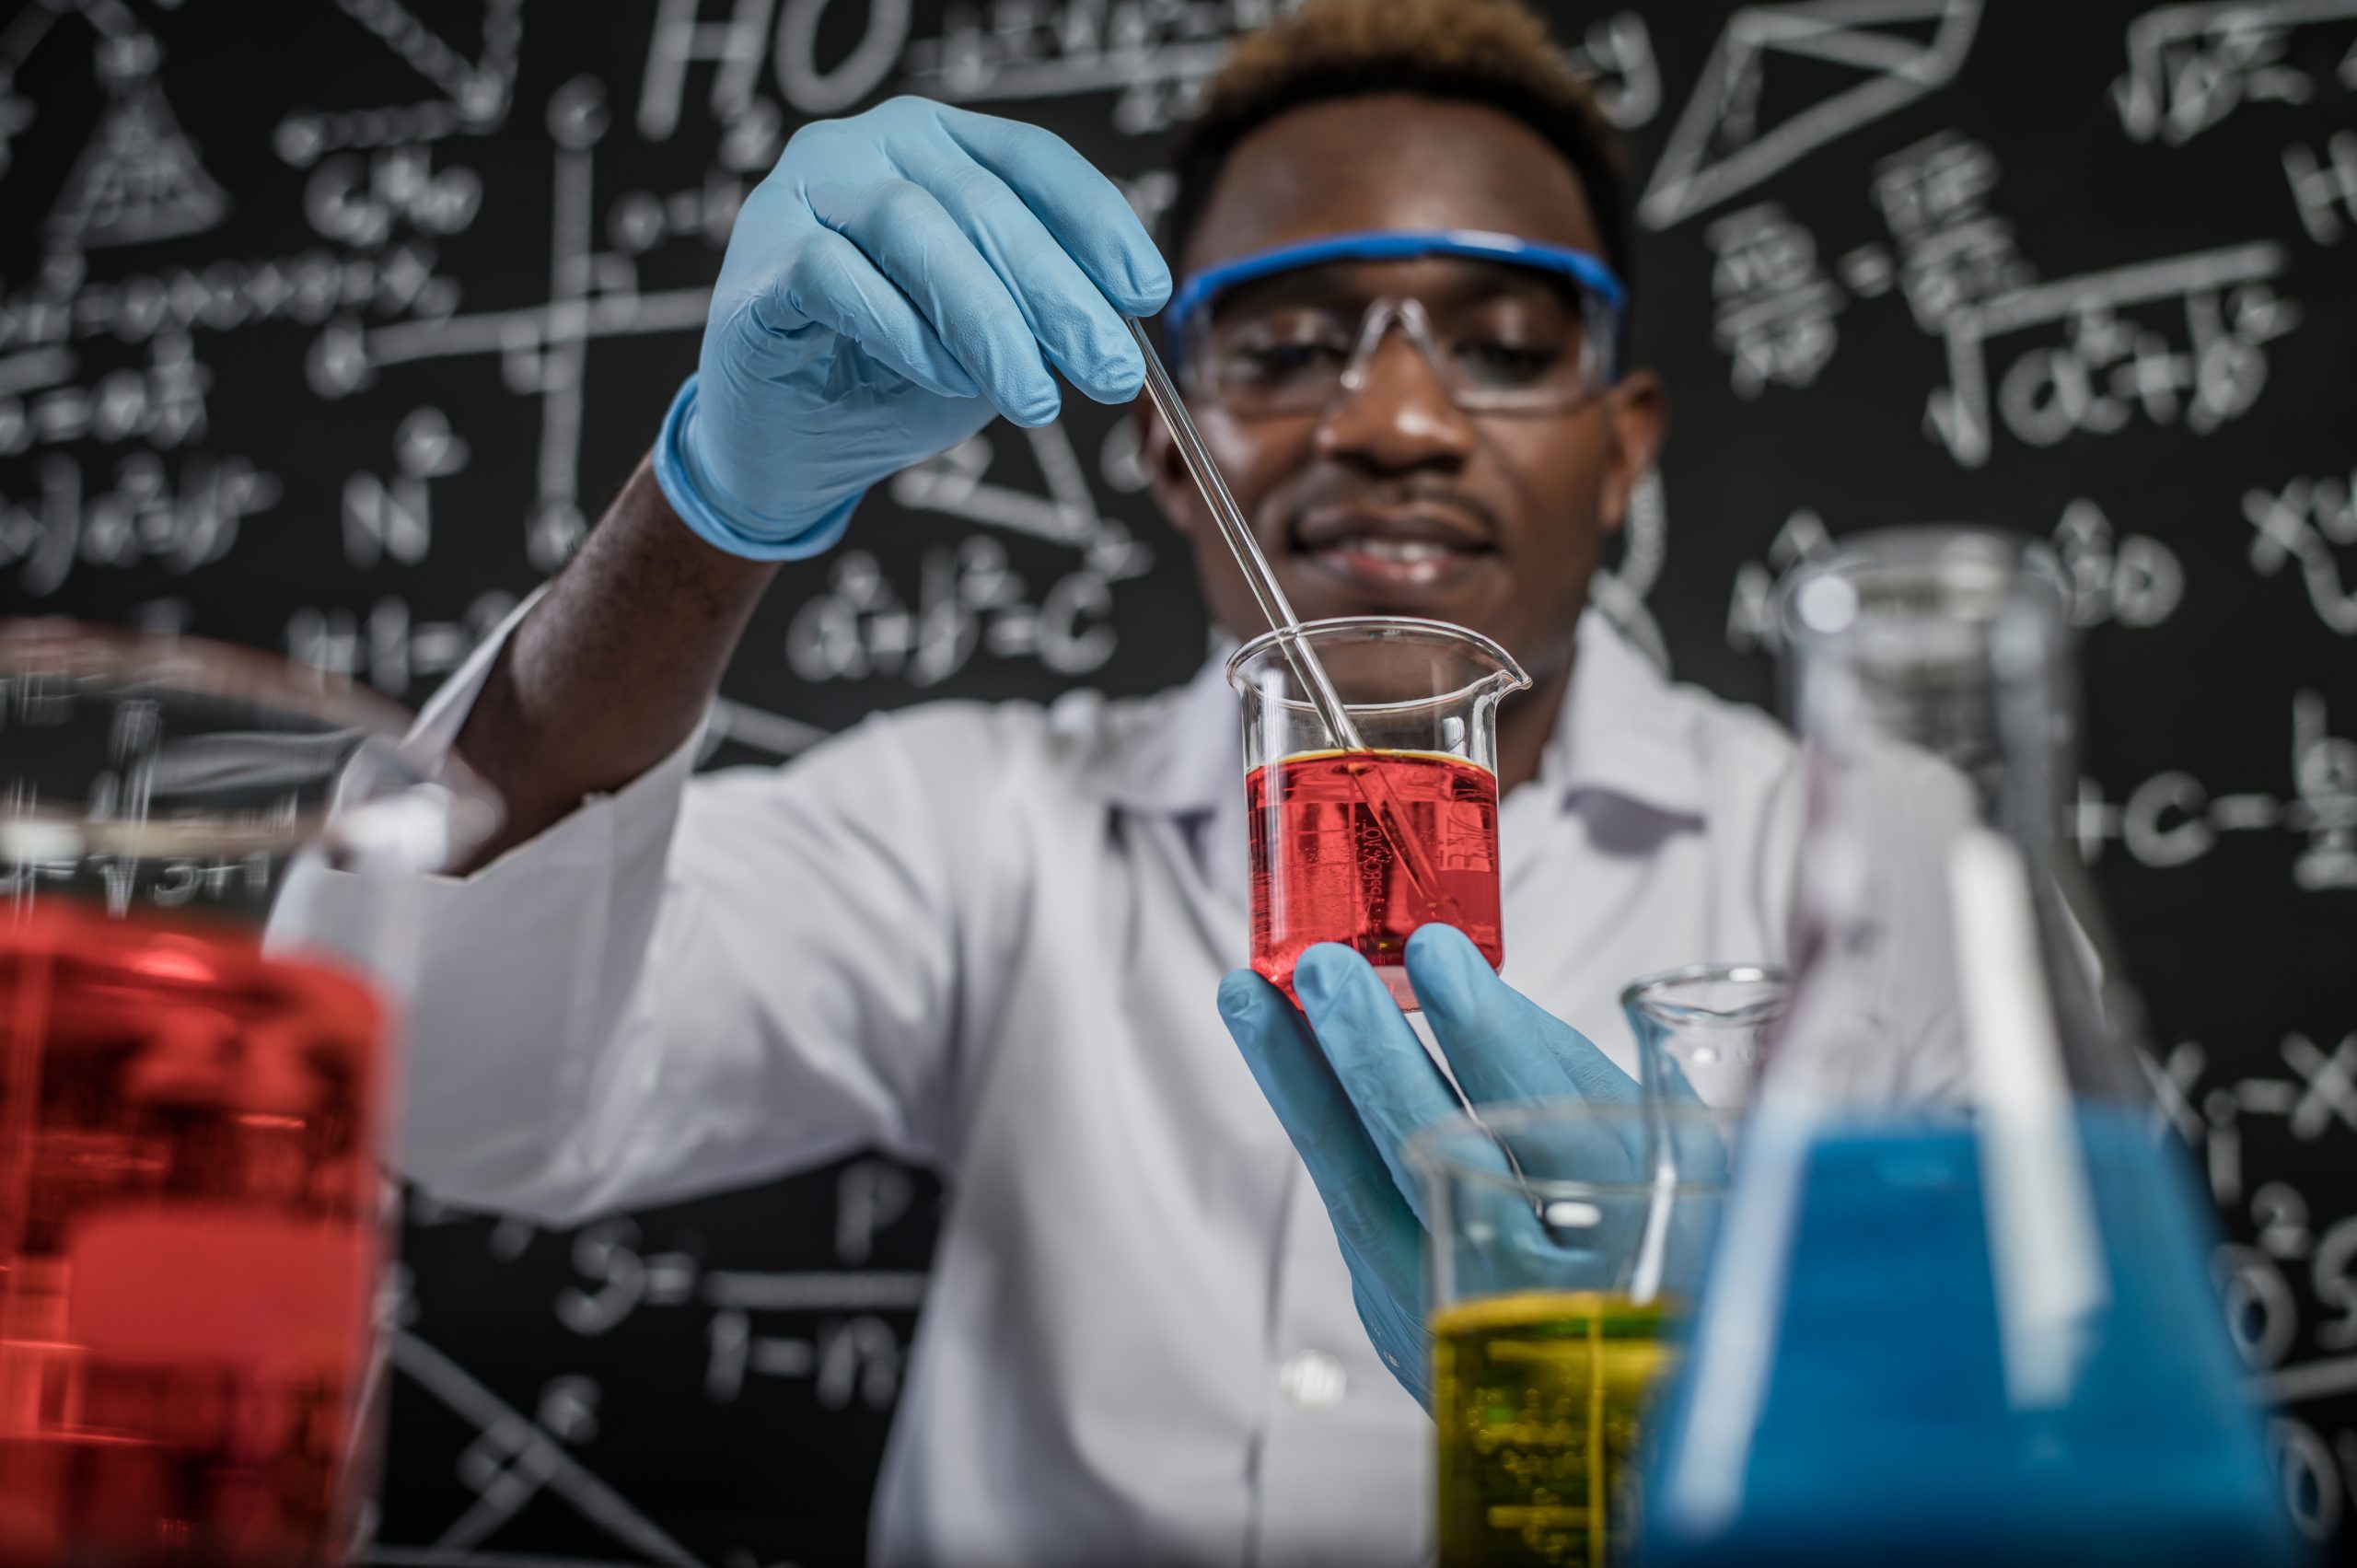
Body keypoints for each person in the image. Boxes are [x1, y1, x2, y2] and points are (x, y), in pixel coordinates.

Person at [302, 0, 1814, 1561]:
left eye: (1502, 347)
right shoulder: (984, 824)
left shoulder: (1846, 863)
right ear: (1177, 449)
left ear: (1623, 448)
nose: (1395, 421)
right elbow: (427, 1081)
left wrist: (1749, 1431)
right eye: (1288, 345)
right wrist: (711, 510)